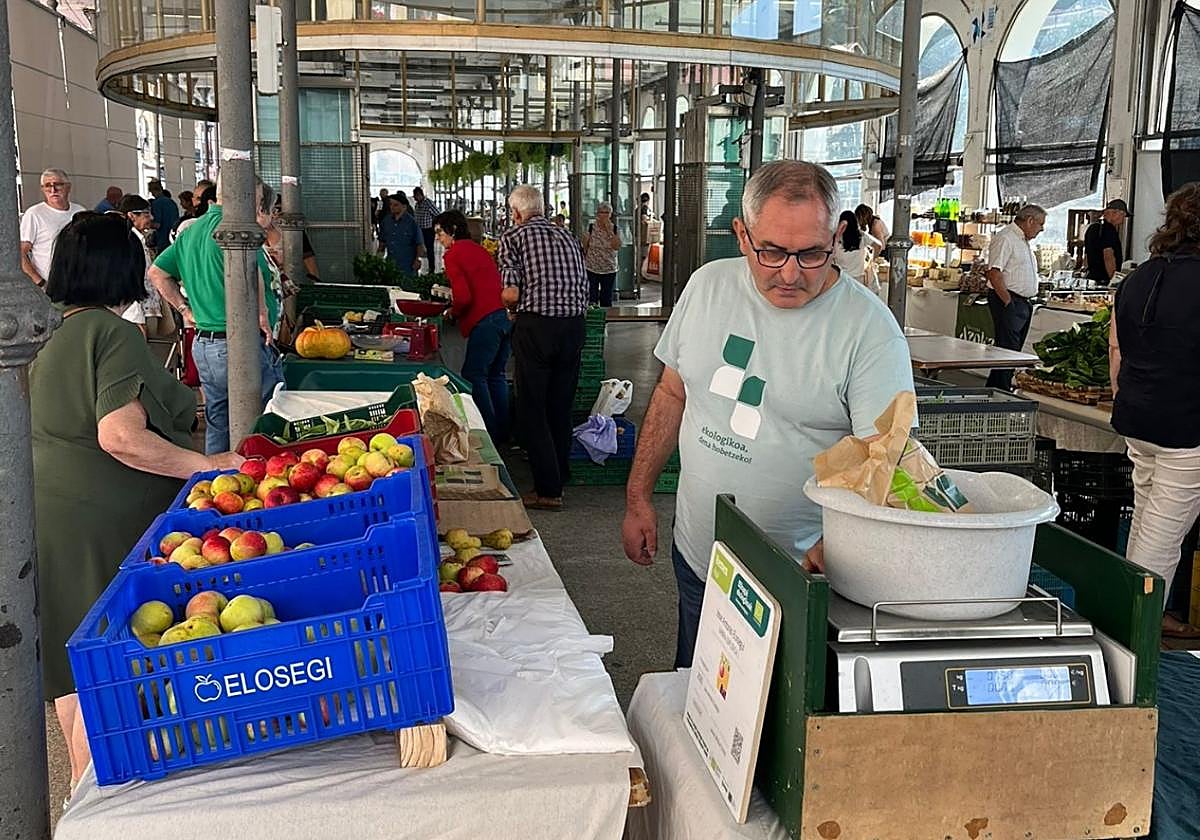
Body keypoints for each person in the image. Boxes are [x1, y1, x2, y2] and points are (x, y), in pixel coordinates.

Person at [621, 161, 913, 668]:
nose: (790, 273)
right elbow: (672, 394)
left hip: (799, 578)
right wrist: (638, 496)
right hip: (699, 553)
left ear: (838, 235)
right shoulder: (707, 287)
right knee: (697, 694)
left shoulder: (868, 331)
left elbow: (888, 460)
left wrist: (836, 544)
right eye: (772, 252)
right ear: (741, 234)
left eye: (812, 253)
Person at [31, 212, 242, 784]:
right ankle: (104, 800)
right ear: (121, 268)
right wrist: (205, 466)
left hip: (48, 520)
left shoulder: (41, 330)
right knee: (112, 670)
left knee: (76, 672)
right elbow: (119, 436)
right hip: (103, 526)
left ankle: (82, 798)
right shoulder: (110, 333)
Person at [1108, 183, 1200, 638]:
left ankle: (1123, 633)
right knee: (1160, 543)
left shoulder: (1138, 276)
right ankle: (1133, 649)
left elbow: (1116, 352)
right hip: (1185, 430)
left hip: (1138, 421)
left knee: (1145, 524)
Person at [149, 174, 284, 453]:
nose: (258, 207)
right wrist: (261, 315)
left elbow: (157, 273)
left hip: (205, 346)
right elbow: (253, 273)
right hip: (238, 346)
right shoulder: (238, 232)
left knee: (218, 420)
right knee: (265, 420)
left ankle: (217, 479)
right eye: (257, 200)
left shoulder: (192, 232)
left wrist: (185, 309)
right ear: (243, 197)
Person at [499, 184, 589, 510]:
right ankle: (559, 474)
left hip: (537, 326)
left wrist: (509, 306)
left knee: (532, 407)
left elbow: (510, 293)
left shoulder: (514, 236)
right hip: (574, 327)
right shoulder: (567, 236)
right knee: (559, 405)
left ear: (518, 213)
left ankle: (548, 491)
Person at [436, 208, 511, 443]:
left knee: (474, 375)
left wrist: (452, 311)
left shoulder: (453, 254)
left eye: (440, 232)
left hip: (485, 321)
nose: (438, 238)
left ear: (453, 230)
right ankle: (503, 433)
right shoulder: (479, 250)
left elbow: (464, 297)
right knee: (496, 375)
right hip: (503, 317)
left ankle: (487, 433)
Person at [984, 204, 1046, 390]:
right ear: (1029, 221)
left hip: (1022, 302)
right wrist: (1008, 302)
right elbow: (994, 273)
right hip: (1009, 300)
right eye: (1040, 224)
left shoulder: (1023, 241)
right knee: (1007, 350)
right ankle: (1000, 389)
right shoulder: (1006, 238)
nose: (1042, 229)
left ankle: (996, 388)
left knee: (1013, 350)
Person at [20, 167, 85, 286]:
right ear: (42, 189)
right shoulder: (34, 214)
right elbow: (21, 253)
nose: (53, 189)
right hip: (50, 286)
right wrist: (40, 283)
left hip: (78, 284)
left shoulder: (80, 211)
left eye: (58, 184)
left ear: (68, 187)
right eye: (47, 185)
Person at [115, 194, 163, 336]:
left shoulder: (140, 239)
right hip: (139, 307)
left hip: (148, 304)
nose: (151, 218)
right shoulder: (129, 240)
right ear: (131, 216)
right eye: (146, 214)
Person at [832, 209, 882, 292]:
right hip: (859, 280)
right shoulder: (862, 236)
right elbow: (878, 245)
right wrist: (871, 259)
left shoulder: (836, 237)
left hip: (841, 280)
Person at [582, 201, 621, 307]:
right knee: (592, 296)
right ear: (597, 214)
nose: (604, 215)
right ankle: (593, 320)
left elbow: (617, 246)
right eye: (601, 212)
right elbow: (585, 246)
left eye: (607, 213)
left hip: (609, 268)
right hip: (592, 267)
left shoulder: (615, 228)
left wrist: (609, 232)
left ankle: (606, 319)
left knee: (606, 297)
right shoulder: (591, 227)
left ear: (610, 214)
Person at [1084, 199, 1130, 285]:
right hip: (1104, 280)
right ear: (1115, 213)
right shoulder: (1109, 230)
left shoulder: (1092, 228)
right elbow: (1108, 257)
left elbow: (1086, 256)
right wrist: (1114, 281)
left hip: (1092, 279)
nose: (1123, 220)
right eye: (1123, 215)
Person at [378, 193, 425, 274]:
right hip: (391, 264)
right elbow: (382, 241)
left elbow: (419, 244)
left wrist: (418, 259)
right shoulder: (386, 221)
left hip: (408, 265)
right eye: (390, 204)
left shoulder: (412, 223)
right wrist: (378, 258)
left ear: (404, 207)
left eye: (395, 205)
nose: (392, 207)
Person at [412, 186, 441, 274]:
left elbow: (437, 214)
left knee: (429, 249)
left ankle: (432, 268)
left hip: (428, 230)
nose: (415, 198)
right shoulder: (417, 205)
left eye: (416, 196)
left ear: (420, 195)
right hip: (419, 230)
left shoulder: (428, 203)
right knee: (418, 247)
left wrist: (434, 225)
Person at [147, 179, 180, 254]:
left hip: (163, 241)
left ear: (151, 190)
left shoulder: (157, 203)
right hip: (173, 239)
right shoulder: (172, 202)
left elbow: (157, 225)